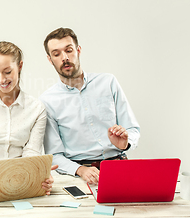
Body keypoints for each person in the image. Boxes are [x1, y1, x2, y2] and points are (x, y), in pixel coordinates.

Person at [40, 27, 140, 184]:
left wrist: (125, 143)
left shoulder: (108, 82)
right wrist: (80, 170)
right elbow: (54, 154)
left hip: (119, 164)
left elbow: (133, 129)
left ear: (78, 50)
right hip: (80, 173)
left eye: (69, 50)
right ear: (49, 59)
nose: (64, 57)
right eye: (56, 54)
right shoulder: (47, 101)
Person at [0, 41, 58, 194]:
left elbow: (31, 152)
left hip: (20, 181)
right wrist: (1, 171)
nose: (1, 80)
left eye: (7, 72)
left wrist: (36, 172)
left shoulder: (36, 108)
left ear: (20, 66)